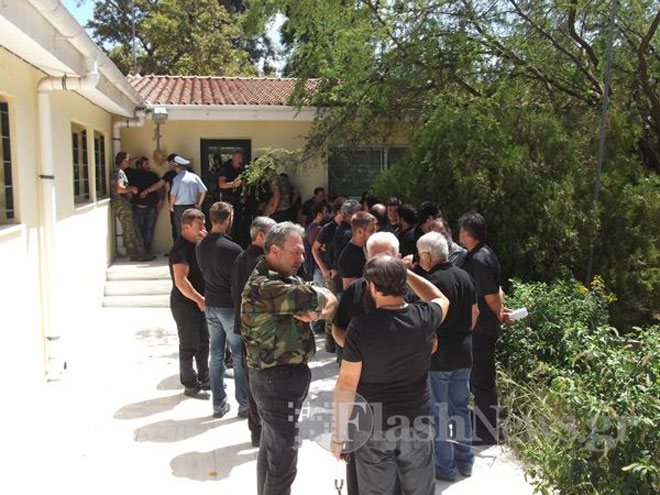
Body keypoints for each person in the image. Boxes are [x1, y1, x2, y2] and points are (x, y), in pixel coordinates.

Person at [331, 255, 449, 495]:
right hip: (416, 422)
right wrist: (407, 273)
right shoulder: (424, 317)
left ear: (373, 287)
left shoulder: (360, 327)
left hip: (373, 426)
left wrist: (338, 437)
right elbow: (441, 298)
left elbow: (346, 386)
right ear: (403, 284)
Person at [241, 222, 338, 495]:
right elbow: (319, 297)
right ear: (274, 250)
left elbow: (328, 297)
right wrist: (321, 303)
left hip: (283, 378)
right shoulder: (265, 287)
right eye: (296, 252)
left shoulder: (286, 280)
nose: (303, 258)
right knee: (283, 465)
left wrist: (320, 307)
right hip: (275, 381)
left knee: (271, 450)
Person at [417, 232, 478, 481]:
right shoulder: (464, 276)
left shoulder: (431, 282)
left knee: (438, 413)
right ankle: (465, 462)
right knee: (460, 409)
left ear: (428, 256)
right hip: (464, 351)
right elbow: (475, 313)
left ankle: (445, 466)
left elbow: (427, 320)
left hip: (440, 355)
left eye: (420, 255)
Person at [458, 212, 511, 445]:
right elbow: (497, 290)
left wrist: (499, 313)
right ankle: (483, 427)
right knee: (478, 379)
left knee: (483, 381)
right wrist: (500, 309)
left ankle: (486, 433)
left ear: (467, 233)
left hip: (481, 328)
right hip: (478, 326)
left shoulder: (480, 259)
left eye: (461, 230)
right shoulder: (481, 254)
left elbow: (490, 294)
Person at [196, 201, 247, 419]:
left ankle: (218, 405)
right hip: (229, 307)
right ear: (228, 219)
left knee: (215, 355)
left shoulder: (201, 246)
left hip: (211, 305)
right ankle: (243, 403)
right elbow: (240, 282)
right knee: (238, 355)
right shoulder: (234, 249)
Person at [231, 216, 276, 447]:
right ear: (260, 235)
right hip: (259, 331)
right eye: (272, 233)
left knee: (252, 383)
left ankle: (257, 432)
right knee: (262, 384)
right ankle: (262, 432)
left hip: (245, 328)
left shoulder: (240, 257)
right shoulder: (262, 262)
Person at [169, 208, 210, 399]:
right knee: (189, 346)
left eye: (204, 224)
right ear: (186, 227)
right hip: (185, 305)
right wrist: (199, 300)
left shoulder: (199, 244)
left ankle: (205, 378)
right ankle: (190, 384)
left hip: (201, 303)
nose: (203, 229)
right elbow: (181, 282)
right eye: (199, 225)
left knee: (204, 342)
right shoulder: (180, 249)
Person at [312, 197, 345, 352]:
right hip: (332, 274)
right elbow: (315, 248)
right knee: (332, 309)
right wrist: (323, 269)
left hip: (345, 273)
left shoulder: (349, 227)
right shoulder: (328, 228)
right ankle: (330, 342)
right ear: (338, 212)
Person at [110, 152, 155, 262]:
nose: (129, 162)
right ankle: (140, 255)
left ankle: (135, 254)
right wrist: (131, 189)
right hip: (121, 203)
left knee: (130, 229)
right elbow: (119, 189)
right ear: (123, 161)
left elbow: (127, 162)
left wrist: (135, 158)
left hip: (121, 203)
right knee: (132, 230)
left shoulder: (118, 170)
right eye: (127, 160)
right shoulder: (119, 172)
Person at [139, 153, 180, 244]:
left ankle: (186, 250)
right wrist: (147, 191)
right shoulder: (170, 174)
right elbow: (159, 185)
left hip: (184, 204)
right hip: (174, 205)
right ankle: (177, 248)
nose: (169, 166)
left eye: (170, 163)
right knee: (175, 227)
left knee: (184, 227)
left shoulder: (187, 173)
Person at [128, 156, 162, 253]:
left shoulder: (152, 175)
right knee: (138, 230)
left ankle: (147, 250)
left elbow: (161, 188)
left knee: (149, 229)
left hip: (151, 208)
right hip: (137, 208)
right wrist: (135, 159)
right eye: (146, 164)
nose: (148, 166)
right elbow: (122, 165)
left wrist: (161, 200)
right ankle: (140, 251)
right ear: (139, 165)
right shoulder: (132, 174)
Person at [169, 155, 207, 240]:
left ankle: (183, 248)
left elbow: (173, 195)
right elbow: (204, 190)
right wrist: (199, 204)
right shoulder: (194, 177)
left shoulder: (177, 179)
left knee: (181, 231)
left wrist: (171, 205)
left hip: (179, 207)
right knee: (193, 230)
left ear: (177, 166)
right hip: (192, 206)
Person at [337, 211, 377, 290]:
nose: (375, 233)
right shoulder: (349, 257)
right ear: (360, 231)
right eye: (372, 231)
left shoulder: (364, 247)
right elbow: (350, 291)